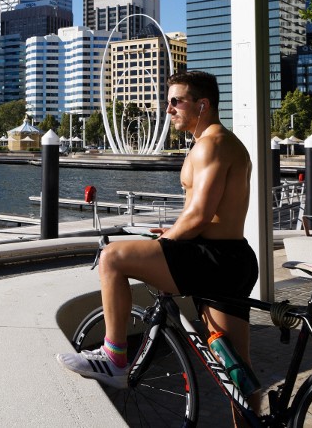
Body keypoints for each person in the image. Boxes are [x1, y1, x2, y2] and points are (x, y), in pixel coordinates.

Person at [57, 71, 260, 410]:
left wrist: (168, 243)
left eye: (176, 101)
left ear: (202, 104)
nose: (168, 110)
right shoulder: (218, 142)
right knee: (236, 368)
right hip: (232, 257)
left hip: (213, 258)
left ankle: (114, 358)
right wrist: (172, 233)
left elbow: (199, 215)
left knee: (112, 257)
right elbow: (202, 214)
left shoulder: (211, 144)